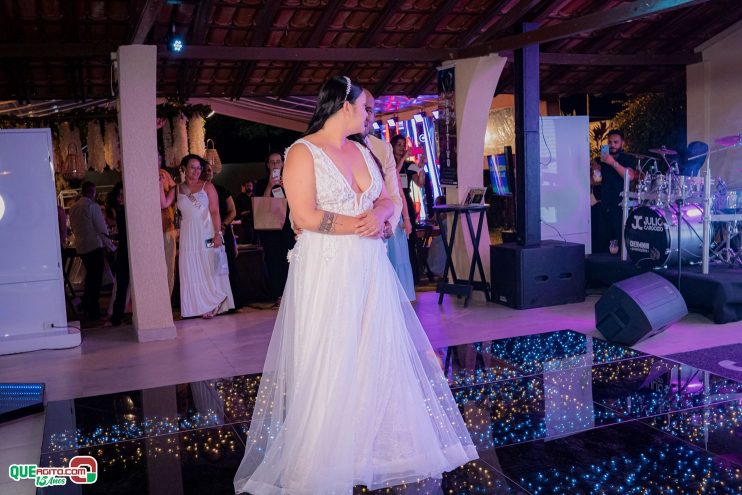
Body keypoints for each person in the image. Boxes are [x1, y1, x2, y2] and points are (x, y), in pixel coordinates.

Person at [234, 76, 477, 494]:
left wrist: (380, 216)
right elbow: (304, 216)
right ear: (344, 105)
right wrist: (360, 225)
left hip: (369, 265)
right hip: (327, 267)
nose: (371, 116)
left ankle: (373, 443)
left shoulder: (363, 151)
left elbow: (386, 199)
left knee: (373, 349)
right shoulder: (302, 152)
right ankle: (326, 453)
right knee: (332, 352)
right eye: (367, 108)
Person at [161, 154, 234, 319]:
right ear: (184, 169)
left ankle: (214, 302)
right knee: (191, 268)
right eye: (192, 167)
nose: (196, 171)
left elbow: (215, 211)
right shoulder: (177, 189)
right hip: (188, 234)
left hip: (207, 232)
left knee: (208, 264)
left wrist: (218, 233)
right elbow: (164, 203)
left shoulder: (208, 186)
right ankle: (198, 306)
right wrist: (159, 184)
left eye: (199, 168)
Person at [361, 89, 415, 301]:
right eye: (362, 108)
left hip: (387, 218)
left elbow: (395, 192)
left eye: (371, 110)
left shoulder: (383, 149)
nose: (367, 116)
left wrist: (393, 222)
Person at [68, 181, 115, 320]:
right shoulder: (92, 206)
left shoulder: (73, 208)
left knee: (90, 277)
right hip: (94, 246)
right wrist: (111, 246)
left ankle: (87, 305)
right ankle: (93, 309)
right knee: (95, 279)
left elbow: (73, 227)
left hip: (81, 247)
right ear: (93, 193)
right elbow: (101, 228)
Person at [254, 152, 296, 304]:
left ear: (283, 163)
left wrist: (287, 187)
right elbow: (261, 205)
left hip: (288, 227)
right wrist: (269, 186)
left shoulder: (290, 180)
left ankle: (290, 292)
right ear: (267, 165)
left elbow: (296, 203)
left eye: (278, 161)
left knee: (289, 257)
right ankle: (278, 293)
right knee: (273, 259)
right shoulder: (261, 183)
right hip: (270, 227)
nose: (275, 165)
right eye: (272, 162)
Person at [205, 165, 244, 310]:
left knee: (226, 264)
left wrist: (222, 226)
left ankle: (232, 302)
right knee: (209, 263)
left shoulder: (222, 190)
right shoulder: (197, 192)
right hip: (205, 234)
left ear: (213, 172)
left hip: (222, 232)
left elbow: (232, 211)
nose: (206, 173)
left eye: (209, 170)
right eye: (204, 170)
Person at [595, 130, 637, 253]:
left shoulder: (627, 158)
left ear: (622, 143)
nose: (612, 145)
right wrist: (596, 170)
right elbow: (596, 181)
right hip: (605, 204)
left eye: (615, 142)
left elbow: (630, 176)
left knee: (620, 237)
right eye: (610, 142)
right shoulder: (602, 159)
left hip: (621, 204)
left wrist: (613, 163)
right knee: (604, 242)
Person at [391, 134, 426, 283]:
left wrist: (422, 167)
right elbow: (394, 174)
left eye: (403, 145)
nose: (402, 148)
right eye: (398, 145)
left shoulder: (409, 164)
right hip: (394, 202)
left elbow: (420, 183)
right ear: (392, 147)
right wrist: (404, 157)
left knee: (411, 238)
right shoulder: (389, 163)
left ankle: (414, 276)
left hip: (407, 201)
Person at [108, 182, 130, 326]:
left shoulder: (124, 211)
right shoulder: (120, 211)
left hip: (128, 250)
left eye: (123, 194)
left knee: (122, 285)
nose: (120, 198)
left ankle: (117, 316)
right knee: (121, 285)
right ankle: (116, 316)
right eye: (119, 195)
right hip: (124, 250)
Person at [159, 154, 178, 298]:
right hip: (149, 231)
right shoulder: (141, 174)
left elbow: (174, 189)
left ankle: (167, 302)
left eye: (158, 158)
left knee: (169, 267)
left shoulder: (163, 174)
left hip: (167, 228)